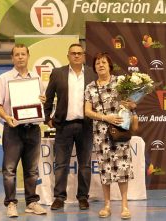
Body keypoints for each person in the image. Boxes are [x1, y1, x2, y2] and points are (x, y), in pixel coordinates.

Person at [0, 44, 47, 218]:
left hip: (33, 129)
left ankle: (31, 202)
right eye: (17, 54)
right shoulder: (4, 78)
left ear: (28, 56)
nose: (20, 57)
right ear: (12, 58)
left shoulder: (37, 79)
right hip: (13, 129)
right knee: (9, 169)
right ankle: (11, 203)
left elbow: (42, 102)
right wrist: (7, 117)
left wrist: (43, 100)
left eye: (23, 54)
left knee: (31, 170)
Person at [84, 52, 139, 219]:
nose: (100, 65)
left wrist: (132, 104)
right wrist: (105, 117)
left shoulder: (121, 83)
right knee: (105, 170)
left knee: (122, 167)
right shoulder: (90, 87)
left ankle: (124, 205)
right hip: (101, 133)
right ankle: (107, 205)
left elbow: (131, 103)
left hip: (120, 131)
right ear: (94, 67)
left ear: (109, 66)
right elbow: (87, 111)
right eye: (97, 63)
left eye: (104, 63)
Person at [43, 43, 97, 210]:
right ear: (68, 56)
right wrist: (47, 118)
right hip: (63, 126)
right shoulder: (57, 73)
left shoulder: (92, 74)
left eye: (79, 53)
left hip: (86, 126)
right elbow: (49, 96)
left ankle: (82, 197)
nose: (76, 56)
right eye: (73, 53)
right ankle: (59, 197)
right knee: (60, 164)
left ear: (84, 56)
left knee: (85, 164)